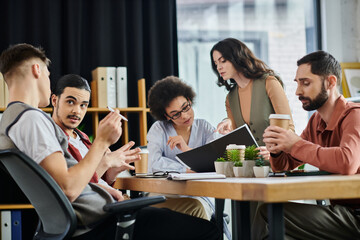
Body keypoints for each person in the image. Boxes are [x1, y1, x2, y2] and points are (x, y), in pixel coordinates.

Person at [0, 43, 221, 240]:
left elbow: (59, 182)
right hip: (101, 223)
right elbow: (67, 188)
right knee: (209, 231)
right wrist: (102, 142)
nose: (49, 84)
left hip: (94, 217)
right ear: (37, 70)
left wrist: (103, 183)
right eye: (48, 75)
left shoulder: (11, 120)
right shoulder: (31, 118)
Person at [253, 50, 360, 239]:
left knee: (268, 212)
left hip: (355, 216)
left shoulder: (354, 115)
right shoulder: (316, 122)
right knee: (274, 224)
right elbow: (285, 164)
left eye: (306, 83)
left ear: (331, 82)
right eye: (297, 83)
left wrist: (295, 144)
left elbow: (347, 162)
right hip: (340, 212)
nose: (298, 91)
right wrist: (277, 149)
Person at [147, 76, 231, 240]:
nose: (185, 115)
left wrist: (186, 150)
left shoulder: (205, 127)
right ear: (166, 116)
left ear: (189, 99)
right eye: (176, 114)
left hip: (198, 195)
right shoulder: (159, 129)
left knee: (202, 211)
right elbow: (154, 163)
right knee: (196, 213)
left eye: (186, 107)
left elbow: (214, 162)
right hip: (164, 194)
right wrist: (186, 169)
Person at [51, 73, 140, 199]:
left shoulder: (82, 137)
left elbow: (96, 179)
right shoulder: (51, 138)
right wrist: (106, 162)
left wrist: (111, 172)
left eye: (83, 105)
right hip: (99, 210)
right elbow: (72, 187)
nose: (77, 111)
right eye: (70, 102)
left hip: (111, 202)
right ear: (54, 100)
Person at [210, 38, 295, 160]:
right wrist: (228, 123)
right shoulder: (230, 98)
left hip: (279, 164)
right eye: (216, 63)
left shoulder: (269, 83)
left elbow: (290, 128)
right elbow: (237, 138)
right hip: (250, 169)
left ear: (237, 57)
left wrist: (274, 151)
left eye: (223, 61)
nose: (218, 67)